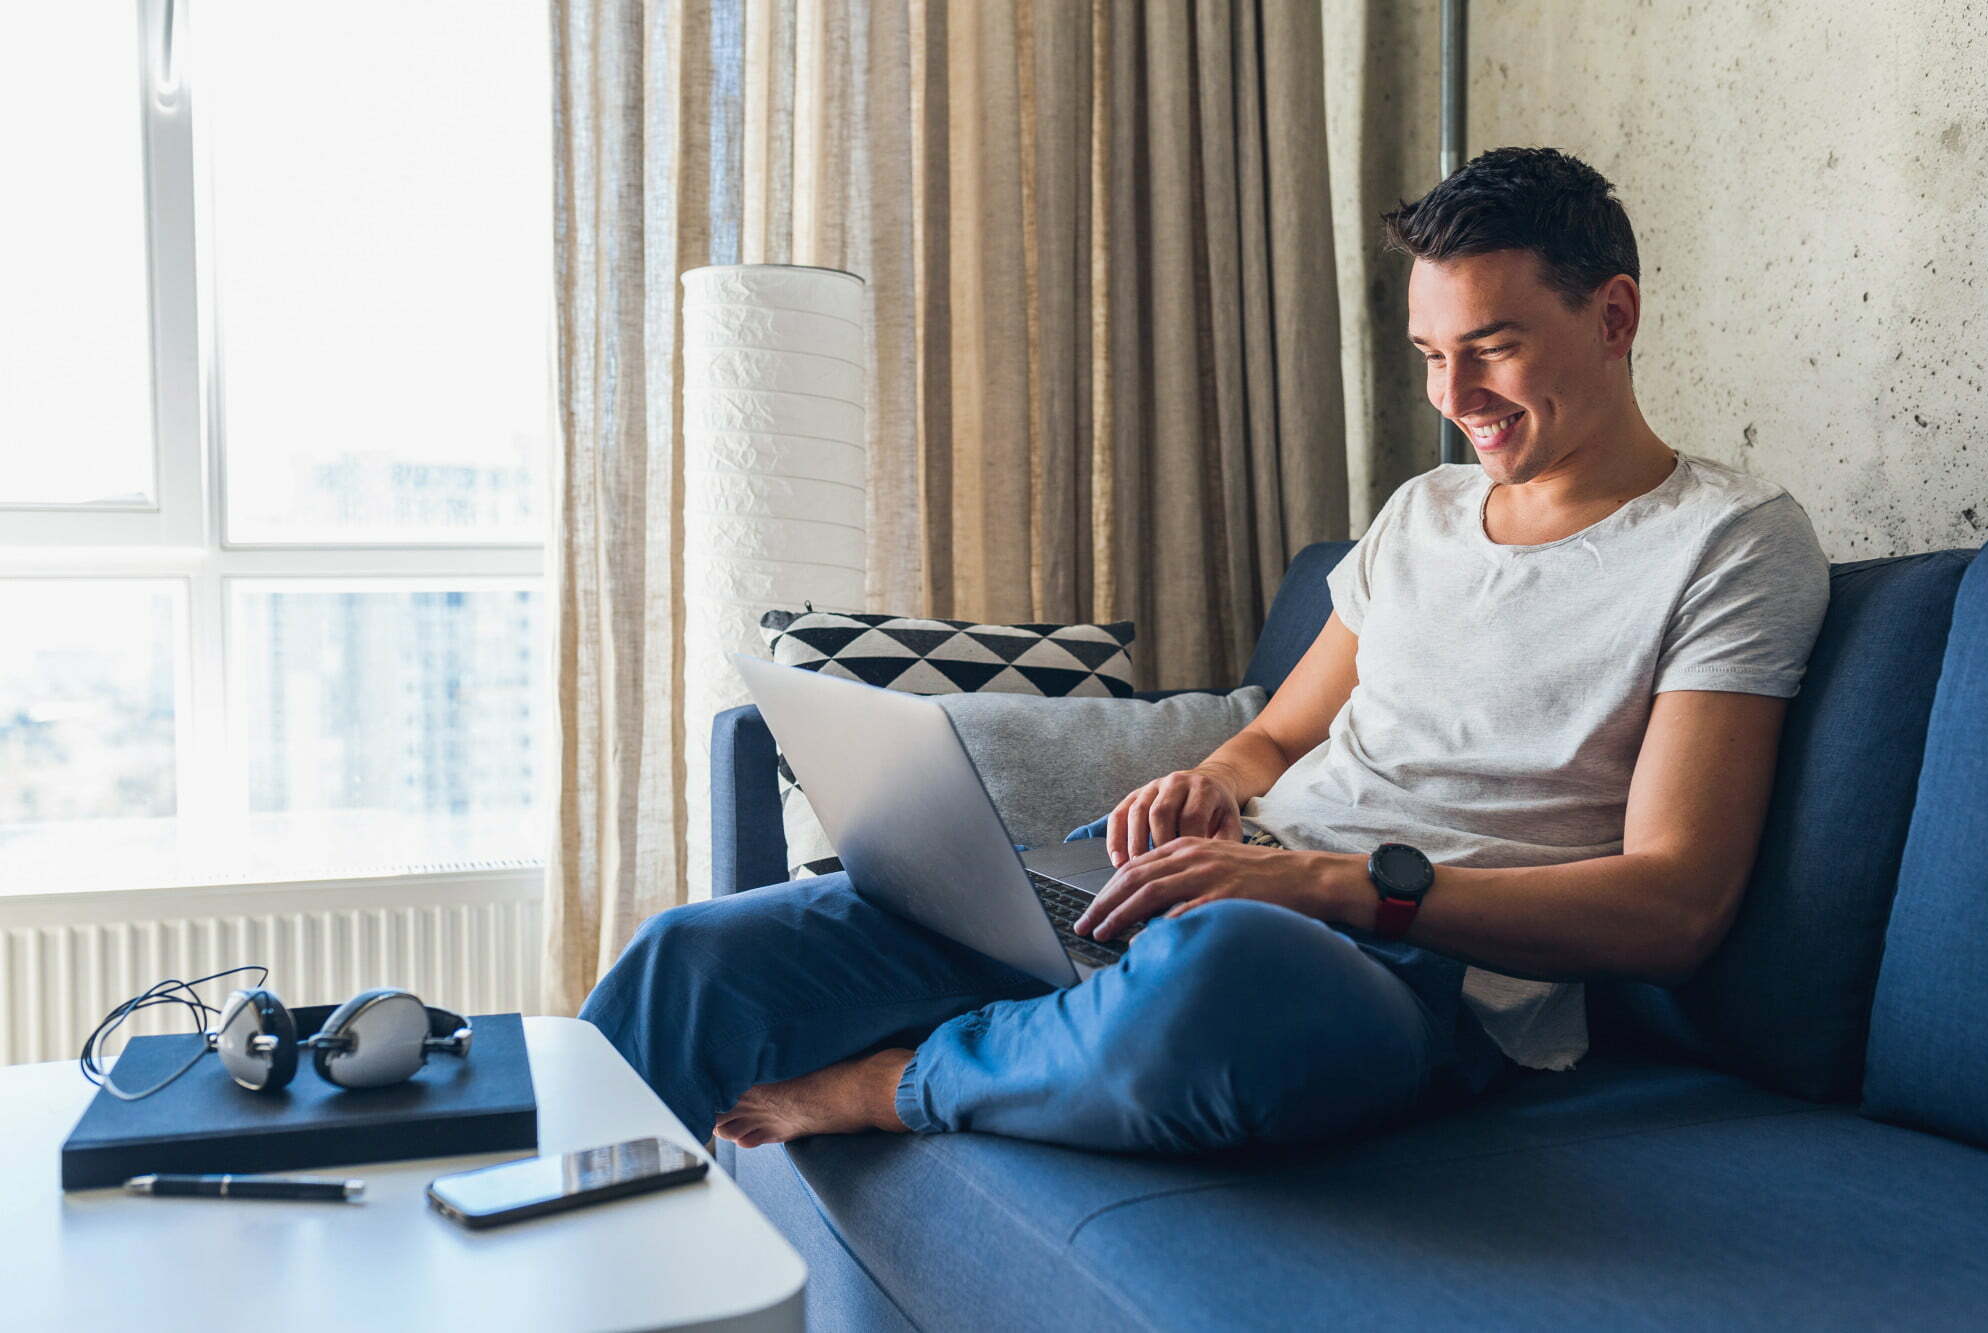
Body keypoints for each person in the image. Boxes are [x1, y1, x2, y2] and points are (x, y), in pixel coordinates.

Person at [578, 146, 1830, 1156]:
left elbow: (1674, 904)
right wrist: (1216, 787)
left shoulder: (1728, 543)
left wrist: (1333, 887)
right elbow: (1280, 733)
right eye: (1429, 358)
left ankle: (906, 1081)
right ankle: (533, 1237)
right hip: (1229, 895)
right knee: (696, 958)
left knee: (1216, 975)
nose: (1455, 397)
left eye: (1491, 346)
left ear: (1611, 316)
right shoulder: (1421, 515)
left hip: (1410, 973)